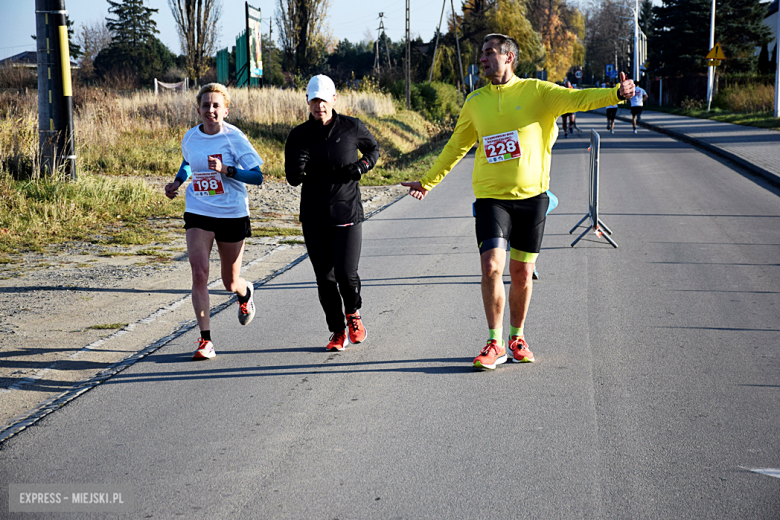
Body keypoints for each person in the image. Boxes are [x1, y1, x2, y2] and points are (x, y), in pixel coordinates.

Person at [402, 34, 634, 370]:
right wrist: (428, 181)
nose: (482, 58)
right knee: (492, 267)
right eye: (481, 53)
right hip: (491, 198)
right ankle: (494, 342)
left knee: (522, 273)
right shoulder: (475, 101)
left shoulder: (538, 92)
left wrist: (616, 94)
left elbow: (580, 99)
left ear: (509, 57)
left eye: (489, 53)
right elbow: (456, 146)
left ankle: (517, 337)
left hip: (532, 199)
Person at [164, 83, 265, 360]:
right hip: (199, 210)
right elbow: (188, 162)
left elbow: (257, 177)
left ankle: (245, 294)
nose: (211, 110)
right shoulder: (191, 137)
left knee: (229, 282)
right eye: (206, 105)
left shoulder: (235, 138)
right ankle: (205, 340)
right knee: (199, 273)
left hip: (232, 213)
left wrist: (227, 170)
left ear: (225, 110)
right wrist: (178, 181)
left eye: (216, 105)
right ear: (198, 109)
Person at [285, 75, 380, 351]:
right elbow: (291, 178)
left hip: (347, 211)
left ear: (334, 100)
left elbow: (373, 150)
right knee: (325, 278)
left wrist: (362, 167)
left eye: (323, 100)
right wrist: (298, 168)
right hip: (315, 217)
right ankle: (337, 331)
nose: (319, 106)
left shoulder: (352, 127)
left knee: (346, 274)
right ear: (307, 101)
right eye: (314, 100)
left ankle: (353, 314)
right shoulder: (299, 135)